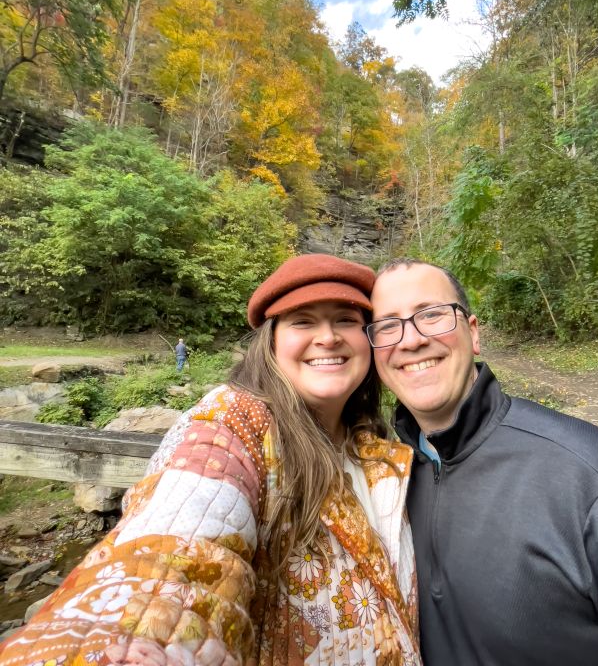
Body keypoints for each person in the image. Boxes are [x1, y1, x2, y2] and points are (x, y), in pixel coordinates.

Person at [0, 255, 421, 666]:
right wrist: (149, 636)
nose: (327, 337)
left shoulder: (379, 447)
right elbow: (178, 541)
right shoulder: (234, 418)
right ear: (271, 342)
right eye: (303, 321)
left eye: (345, 320)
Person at [368, 257, 598, 666]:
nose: (410, 340)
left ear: (473, 333)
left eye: (431, 315)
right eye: (388, 326)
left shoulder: (589, 475)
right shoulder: (387, 483)